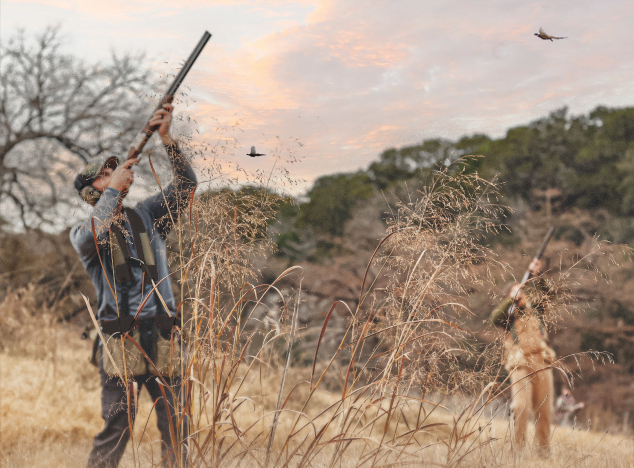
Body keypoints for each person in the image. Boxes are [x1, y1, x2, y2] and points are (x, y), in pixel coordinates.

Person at [70, 103, 196, 468]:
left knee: (176, 423)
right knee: (118, 426)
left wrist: (167, 139)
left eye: (115, 168)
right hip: (120, 341)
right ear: (90, 192)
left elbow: (187, 186)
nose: (114, 173)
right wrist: (115, 192)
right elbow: (96, 230)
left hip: (163, 334)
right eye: (104, 174)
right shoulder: (83, 233)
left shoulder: (148, 216)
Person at [490, 259, 556, 454]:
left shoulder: (535, 310)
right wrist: (511, 299)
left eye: (522, 291)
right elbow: (494, 317)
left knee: (545, 410)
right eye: (517, 292)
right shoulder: (508, 316)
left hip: (542, 361)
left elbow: (549, 296)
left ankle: (543, 453)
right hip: (520, 363)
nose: (522, 295)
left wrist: (538, 276)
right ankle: (517, 451)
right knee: (521, 407)